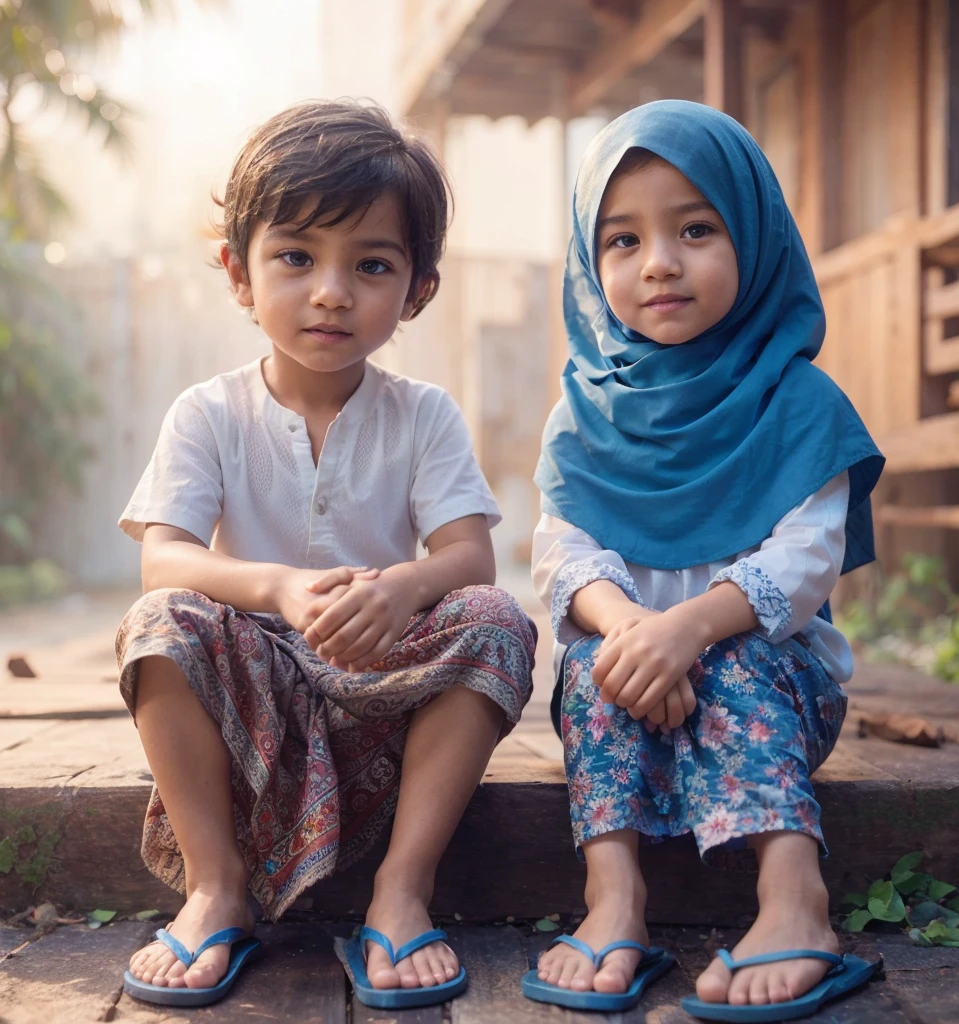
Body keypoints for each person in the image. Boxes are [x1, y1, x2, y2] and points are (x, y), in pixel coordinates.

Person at [115, 99, 536, 1009]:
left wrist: (403, 589)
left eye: (371, 265)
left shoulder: (423, 415)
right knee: (160, 623)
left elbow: (470, 555)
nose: (332, 290)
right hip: (250, 703)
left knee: (499, 622)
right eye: (297, 256)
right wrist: (276, 586)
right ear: (239, 271)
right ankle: (216, 888)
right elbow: (165, 560)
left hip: (380, 693)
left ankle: (400, 890)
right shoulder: (207, 412)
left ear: (418, 289)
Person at [527, 100, 884, 1019]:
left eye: (696, 228)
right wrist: (634, 631)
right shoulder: (584, 413)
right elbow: (563, 549)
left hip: (772, 678)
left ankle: (794, 896)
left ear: (756, 236)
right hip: (637, 668)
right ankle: (614, 897)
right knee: (586, 672)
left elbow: (808, 557)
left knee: (740, 662)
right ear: (587, 260)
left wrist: (690, 628)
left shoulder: (799, 403)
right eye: (621, 240)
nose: (658, 263)